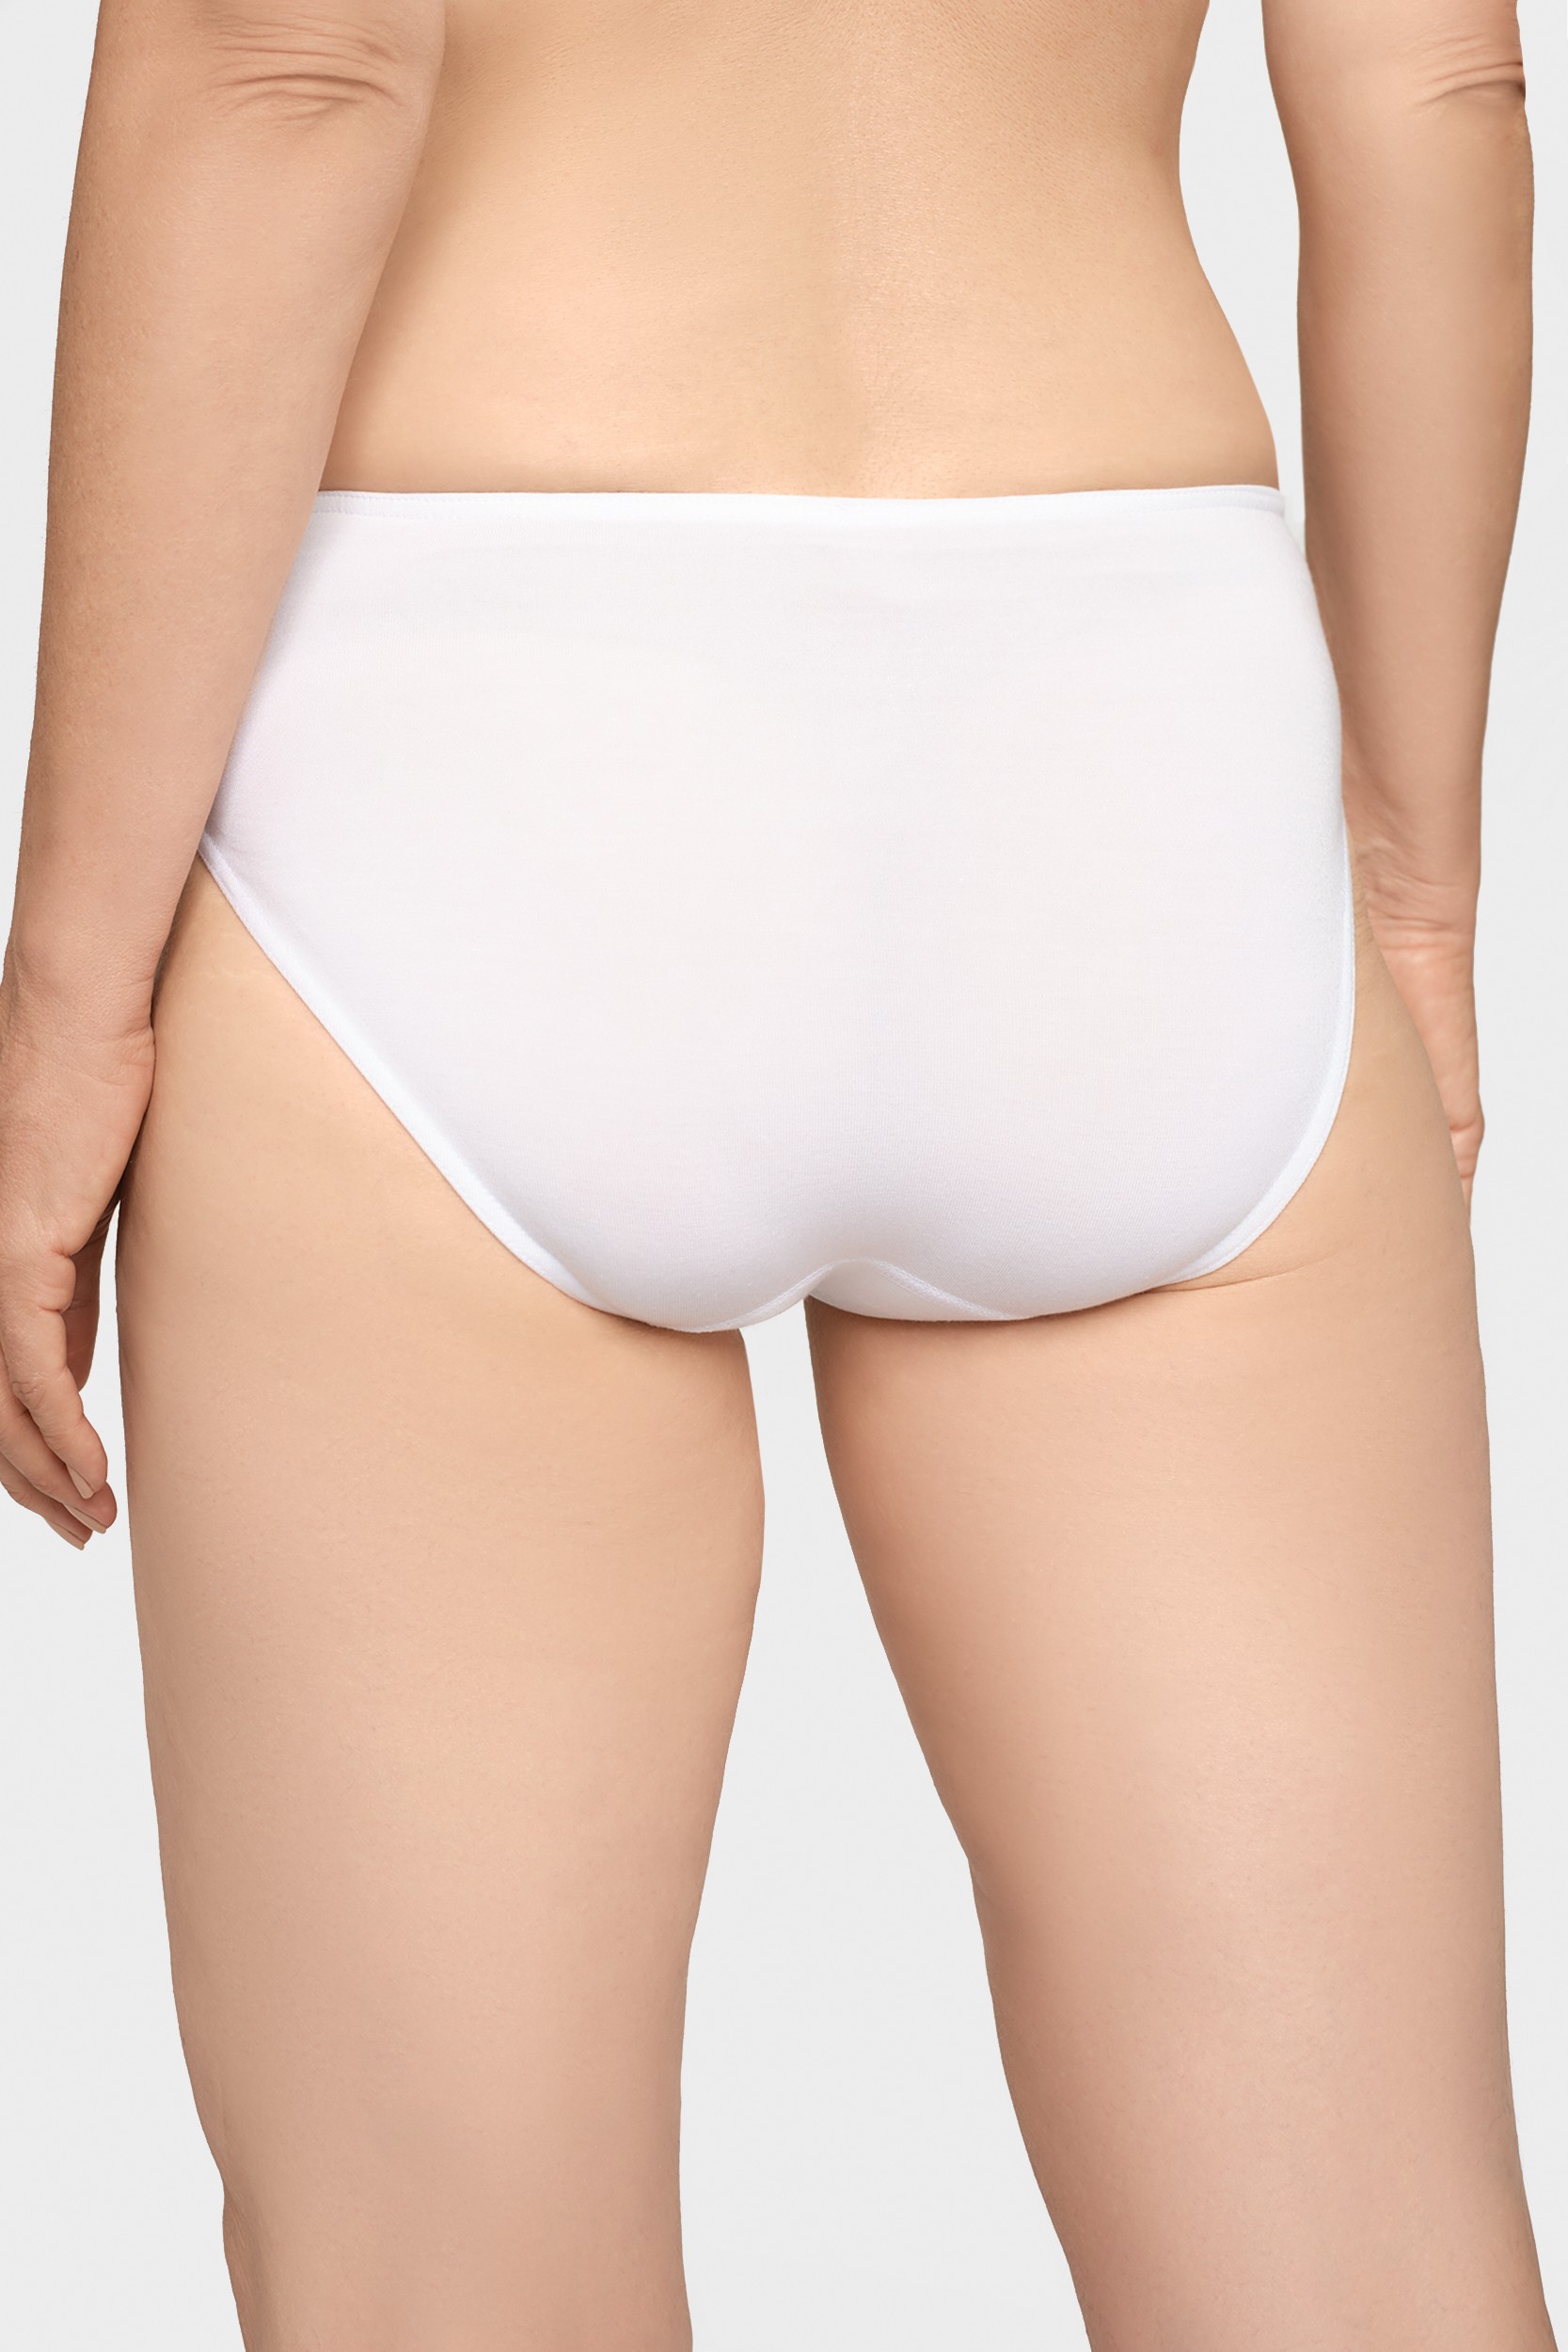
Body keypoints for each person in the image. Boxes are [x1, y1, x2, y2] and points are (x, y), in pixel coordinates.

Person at [0, 0, 1553, 2344]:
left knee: (453, 2285)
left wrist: (68, 992)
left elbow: (284, 62)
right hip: (1130, 714)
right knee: (1361, 2263)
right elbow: (1434, 92)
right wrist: (1413, 890)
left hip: (488, 696)